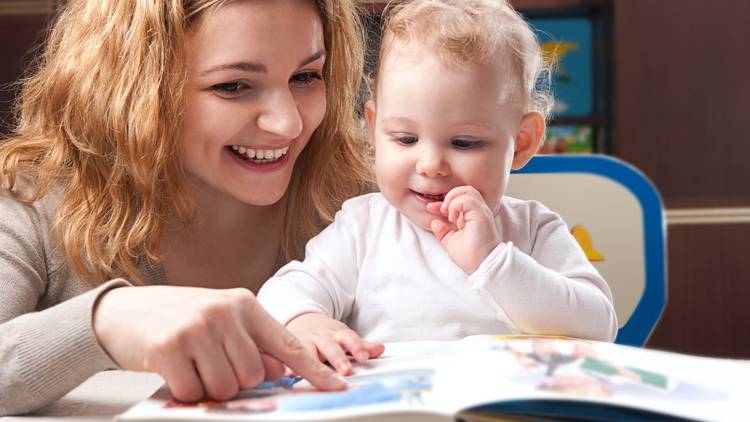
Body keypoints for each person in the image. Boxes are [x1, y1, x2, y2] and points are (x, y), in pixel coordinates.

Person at [0, 0, 374, 415]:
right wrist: (102, 322)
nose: (288, 123)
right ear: (133, 88)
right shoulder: (33, 200)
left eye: (305, 77)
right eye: (233, 86)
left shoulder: (372, 195)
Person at [257, 0, 619, 375]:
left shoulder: (533, 230)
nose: (429, 165)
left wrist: (493, 261)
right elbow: (283, 291)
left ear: (522, 142)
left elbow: (598, 325)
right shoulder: (363, 227)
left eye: (464, 143)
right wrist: (305, 321)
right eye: (405, 138)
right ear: (372, 126)